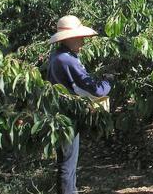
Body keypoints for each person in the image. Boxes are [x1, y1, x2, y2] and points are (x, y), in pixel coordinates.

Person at [47, 15, 112, 194]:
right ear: (69, 38)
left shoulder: (59, 55)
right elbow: (97, 90)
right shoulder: (67, 59)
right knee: (68, 163)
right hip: (66, 118)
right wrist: (108, 82)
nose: (83, 42)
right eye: (80, 38)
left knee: (67, 161)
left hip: (61, 115)